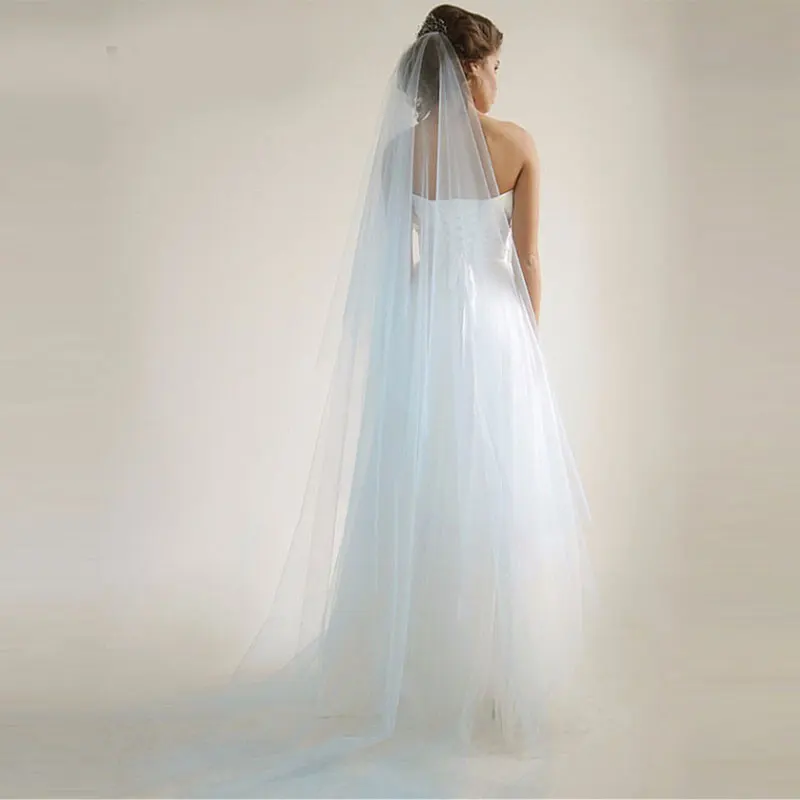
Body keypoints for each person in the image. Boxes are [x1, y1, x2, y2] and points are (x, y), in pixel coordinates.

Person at [131, 6, 593, 796]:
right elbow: (529, 262)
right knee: (499, 496)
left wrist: (405, 351)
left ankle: (425, 671)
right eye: (492, 66)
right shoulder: (517, 144)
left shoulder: (396, 155)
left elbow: (396, 270)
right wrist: (531, 350)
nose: (496, 79)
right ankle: (496, 679)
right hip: (495, 333)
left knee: (427, 495)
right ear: (467, 69)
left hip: (427, 334)